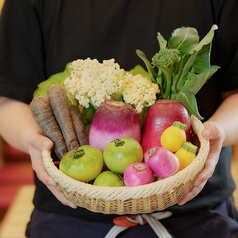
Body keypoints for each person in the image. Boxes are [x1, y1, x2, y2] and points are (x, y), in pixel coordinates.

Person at [0, 0, 238, 237]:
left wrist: (219, 131)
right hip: (69, 218)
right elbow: (7, 98)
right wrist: (30, 138)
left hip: (198, 216)